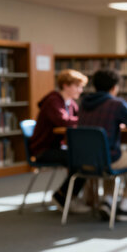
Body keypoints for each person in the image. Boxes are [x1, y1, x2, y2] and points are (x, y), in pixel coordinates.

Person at [78, 69, 127, 221]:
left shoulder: (83, 103)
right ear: (114, 87)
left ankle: (108, 201)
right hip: (107, 158)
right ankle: (126, 206)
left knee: (109, 153)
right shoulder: (116, 104)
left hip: (83, 159)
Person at [30, 69, 90, 213]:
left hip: (57, 147)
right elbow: (62, 121)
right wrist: (86, 119)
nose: (80, 90)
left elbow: (78, 117)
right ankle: (62, 196)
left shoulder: (70, 103)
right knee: (82, 161)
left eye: (81, 87)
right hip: (43, 149)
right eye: (77, 86)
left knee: (85, 158)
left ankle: (71, 196)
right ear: (65, 85)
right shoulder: (53, 101)